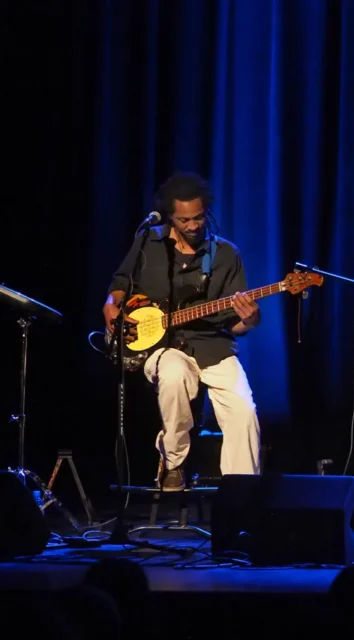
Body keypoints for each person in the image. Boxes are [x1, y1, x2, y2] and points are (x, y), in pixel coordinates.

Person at [103, 171, 261, 491]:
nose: (192, 226)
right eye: (184, 219)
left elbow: (237, 325)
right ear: (170, 216)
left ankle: (242, 494)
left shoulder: (226, 254)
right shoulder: (149, 242)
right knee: (173, 374)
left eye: (199, 218)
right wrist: (110, 306)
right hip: (161, 345)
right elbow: (119, 287)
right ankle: (173, 462)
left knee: (244, 410)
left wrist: (251, 318)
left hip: (213, 346)